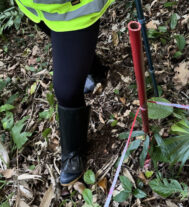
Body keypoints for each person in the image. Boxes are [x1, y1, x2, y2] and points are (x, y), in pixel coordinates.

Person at [15, 0, 114, 186]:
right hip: (38, 8)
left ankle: (73, 152)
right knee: (68, 45)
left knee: (67, 91)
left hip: (75, 8)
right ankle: (93, 68)